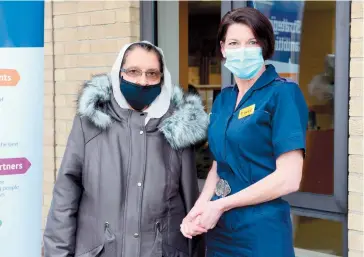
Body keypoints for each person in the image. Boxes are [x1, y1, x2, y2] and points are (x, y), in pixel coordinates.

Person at [43, 41, 209, 257]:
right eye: (133, 72)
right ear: (118, 73)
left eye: (152, 73)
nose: (143, 81)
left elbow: (190, 203)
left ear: (162, 77)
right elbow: (66, 195)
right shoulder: (92, 121)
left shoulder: (178, 128)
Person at [181, 7, 308, 257]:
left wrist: (222, 205)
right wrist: (200, 208)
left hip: (262, 231)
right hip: (221, 232)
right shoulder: (224, 99)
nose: (242, 50)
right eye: (234, 43)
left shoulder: (283, 94)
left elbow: (289, 178)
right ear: (223, 49)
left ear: (264, 47)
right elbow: (220, 164)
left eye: (252, 42)